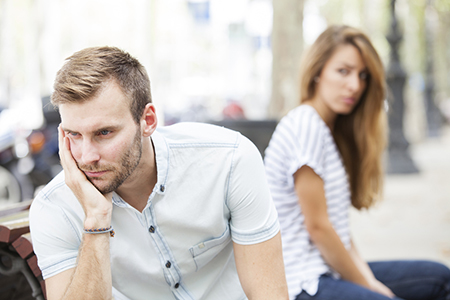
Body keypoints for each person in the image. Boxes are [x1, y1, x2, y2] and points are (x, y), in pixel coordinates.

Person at [29, 46, 289, 300]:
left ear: (148, 121)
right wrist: (96, 220)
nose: (87, 157)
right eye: (74, 134)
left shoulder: (228, 161)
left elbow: (269, 293)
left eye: (104, 133)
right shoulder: (55, 207)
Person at [264, 25, 450, 300]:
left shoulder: (325, 131)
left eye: (362, 75)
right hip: (302, 283)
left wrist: (368, 280)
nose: (355, 85)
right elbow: (318, 228)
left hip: (328, 273)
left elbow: (339, 232)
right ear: (318, 71)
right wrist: (370, 286)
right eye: (343, 71)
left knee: (439, 278)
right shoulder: (305, 124)